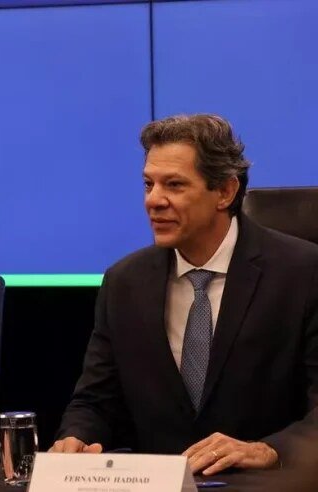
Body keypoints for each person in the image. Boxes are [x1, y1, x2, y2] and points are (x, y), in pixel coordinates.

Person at [52, 114, 318, 476]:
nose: (154, 201)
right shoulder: (124, 282)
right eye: (148, 184)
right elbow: (96, 400)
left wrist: (270, 450)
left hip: (267, 482)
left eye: (174, 185)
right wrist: (76, 437)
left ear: (225, 192)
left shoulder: (302, 273)